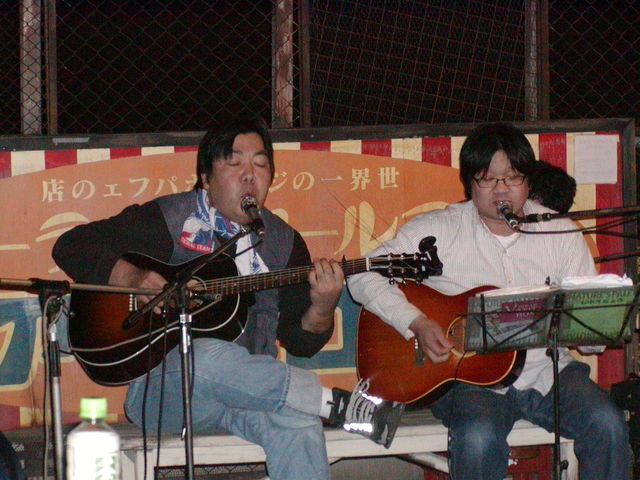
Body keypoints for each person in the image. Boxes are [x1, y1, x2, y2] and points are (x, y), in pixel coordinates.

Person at [52, 114, 403, 480]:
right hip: (165, 394)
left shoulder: (283, 244)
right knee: (202, 355)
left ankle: (320, 406)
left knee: (299, 424)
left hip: (250, 395)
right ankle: (333, 403)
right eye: (234, 164)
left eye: (260, 165)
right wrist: (132, 276)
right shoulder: (169, 219)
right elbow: (71, 246)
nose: (249, 176)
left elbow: (301, 342)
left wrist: (324, 304)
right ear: (206, 178)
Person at [347, 123, 630, 479]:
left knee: (607, 423)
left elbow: (589, 335)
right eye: (487, 179)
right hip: (469, 381)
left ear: (528, 181)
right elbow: (361, 274)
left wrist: (592, 332)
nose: (501, 189)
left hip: (547, 372)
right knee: (478, 438)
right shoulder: (439, 229)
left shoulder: (560, 232)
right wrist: (416, 322)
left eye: (512, 178)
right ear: (469, 183)